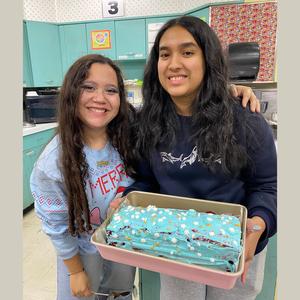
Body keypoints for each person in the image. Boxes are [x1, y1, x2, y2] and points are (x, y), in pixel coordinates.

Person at [117, 16, 277, 300]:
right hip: (175, 244)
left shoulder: (245, 120)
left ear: (208, 60)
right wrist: (128, 201)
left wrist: (259, 223)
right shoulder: (147, 124)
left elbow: (267, 187)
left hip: (236, 247)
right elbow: (145, 180)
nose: (174, 63)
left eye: (187, 52)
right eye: (164, 54)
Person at [30, 54, 137, 300]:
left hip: (120, 246)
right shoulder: (53, 163)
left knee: (120, 294)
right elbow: (56, 225)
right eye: (88, 87)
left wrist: (226, 90)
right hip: (81, 254)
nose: (100, 98)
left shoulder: (125, 138)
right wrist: (76, 271)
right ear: (71, 93)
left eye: (111, 90)